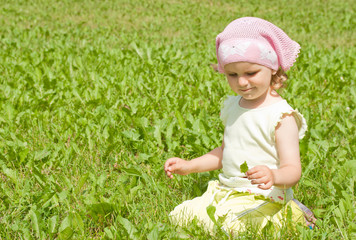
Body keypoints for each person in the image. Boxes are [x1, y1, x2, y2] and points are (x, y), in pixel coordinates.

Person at [164, 17, 315, 234]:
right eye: (232, 75)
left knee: (235, 228)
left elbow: (293, 170)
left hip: (266, 196)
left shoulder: (281, 116)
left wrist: (273, 176)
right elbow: (226, 152)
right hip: (229, 191)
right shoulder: (233, 106)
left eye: (250, 73)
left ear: (272, 68)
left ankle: (293, 215)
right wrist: (189, 166)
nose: (242, 82)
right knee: (180, 216)